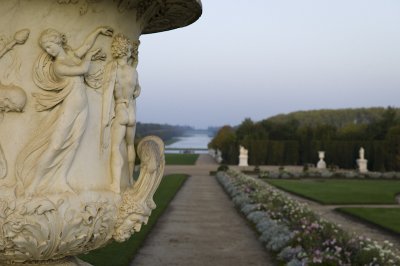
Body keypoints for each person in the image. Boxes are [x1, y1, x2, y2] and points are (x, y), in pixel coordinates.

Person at [16, 27, 113, 196]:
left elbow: (86, 45)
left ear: (58, 42)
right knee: (55, 146)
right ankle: (34, 184)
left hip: (83, 107)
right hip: (70, 107)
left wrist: (97, 30)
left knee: (73, 145)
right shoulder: (58, 66)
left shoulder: (71, 56)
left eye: (49, 45)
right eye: (46, 48)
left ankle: (61, 180)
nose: (48, 50)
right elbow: (82, 70)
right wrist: (89, 57)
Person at [102, 33, 141, 193]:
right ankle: (130, 180)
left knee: (115, 147)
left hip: (120, 109)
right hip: (131, 111)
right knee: (130, 145)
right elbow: (138, 90)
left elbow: (106, 93)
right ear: (128, 51)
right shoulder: (133, 72)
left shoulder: (113, 69)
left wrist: (105, 118)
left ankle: (116, 184)